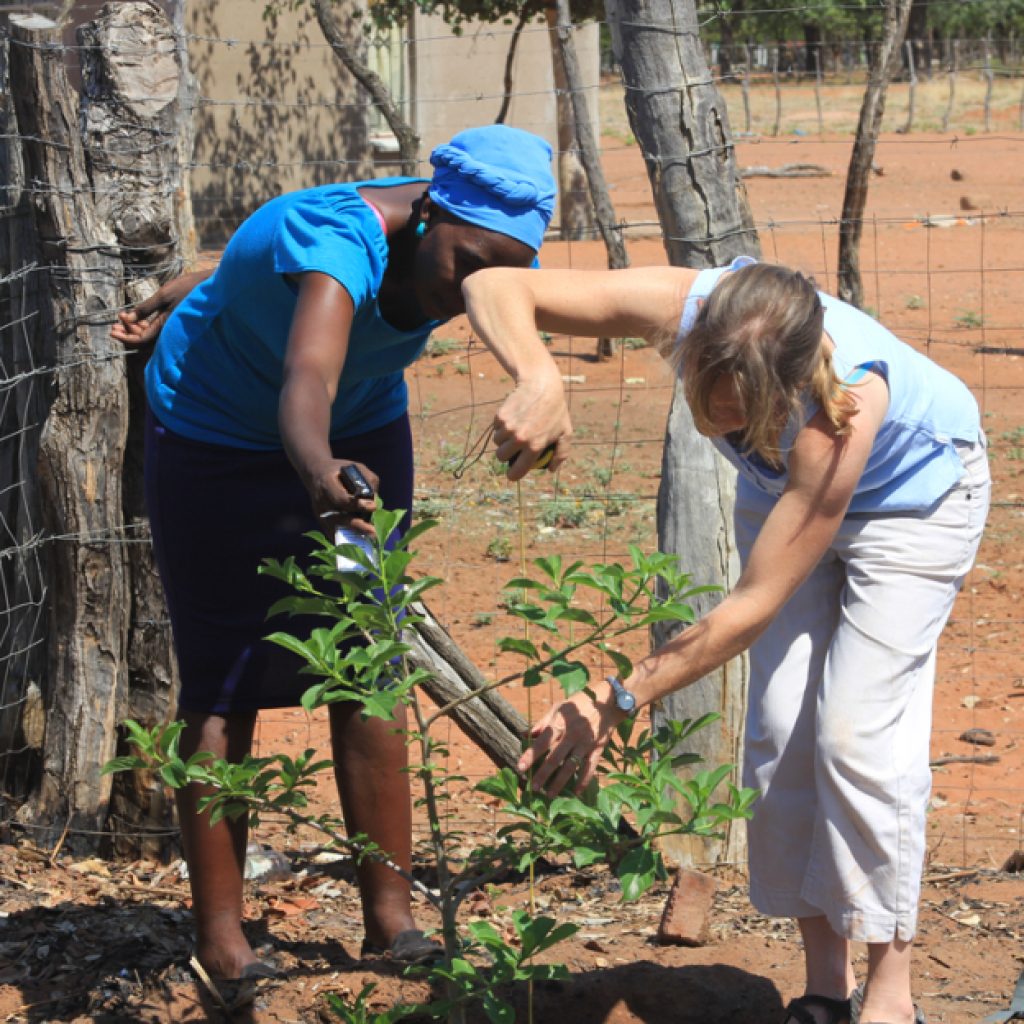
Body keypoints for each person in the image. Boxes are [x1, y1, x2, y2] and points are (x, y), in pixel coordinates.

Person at [459, 256, 990, 1024]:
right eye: (709, 400)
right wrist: (539, 374)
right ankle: (823, 991)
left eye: (741, 411)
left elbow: (753, 605)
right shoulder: (684, 304)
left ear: (786, 385)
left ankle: (891, 996)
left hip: (914, 504)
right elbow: (494, 284)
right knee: (778, 729)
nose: (719, 422)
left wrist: (616, 698)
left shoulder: (841, 412)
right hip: (783, 491)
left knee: (857, 735)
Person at [112, 124, 571, 996]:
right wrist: (318, 470)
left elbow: (257, 253)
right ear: (428, 218)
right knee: (223, 679)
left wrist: (191, 278)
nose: (471, 291)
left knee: (368, 656)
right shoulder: (339, 241)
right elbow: (306, 379)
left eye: (497, 272)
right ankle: (220, 934)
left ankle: (391, 919)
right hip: (219, 430)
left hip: (359, 430)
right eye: (464, 264)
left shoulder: (457, 226)